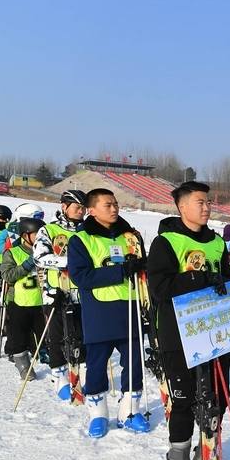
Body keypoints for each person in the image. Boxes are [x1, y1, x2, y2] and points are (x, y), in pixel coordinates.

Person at [146, 180, 230, 460]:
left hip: (214, 332)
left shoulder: (216, 242)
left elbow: (227, 275)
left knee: (217, 397)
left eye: (208, 201)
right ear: (182, 206)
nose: (207, 207)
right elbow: (159, 288)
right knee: (184, 401)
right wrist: (199, 278)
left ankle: (206, 453)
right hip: (178, 334)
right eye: (200, 202)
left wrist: (225, 280)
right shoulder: (166, 242)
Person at [67, 188, 148, 438]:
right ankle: (99, 415)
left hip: (131, 308)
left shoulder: (131, 237)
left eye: (115, 204)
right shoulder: (81, 240)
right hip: (100, 311)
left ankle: (130, 413)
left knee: (134, 363)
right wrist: (120, 271)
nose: (114, 209)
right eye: (107, 205)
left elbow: (143, 270)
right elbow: (81, 276)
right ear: (91, 210)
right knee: (96, 365)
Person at [32, 189, 88, 401]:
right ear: (64, 207)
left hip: (82, 292)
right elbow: (40, 257)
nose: (80, 212)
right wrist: (71, 264)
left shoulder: (86, 231)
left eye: (83, 208)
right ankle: (58, 374)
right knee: (56, 335)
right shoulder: (49, 230)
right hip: (55, 292)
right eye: (76, 208)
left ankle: (82, 373)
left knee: (82, 335)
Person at [0, 217, 47, 380]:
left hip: (41, 301)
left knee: (45, 334)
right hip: (19, 302)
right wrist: (27, 265)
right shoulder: (13, 252)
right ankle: (24, 367)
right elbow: (7, 275)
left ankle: (49, 359)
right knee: (18, 336)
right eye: (37, 234)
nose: (40, 238)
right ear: (25, 235)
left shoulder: (46, 253)